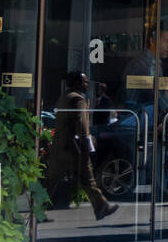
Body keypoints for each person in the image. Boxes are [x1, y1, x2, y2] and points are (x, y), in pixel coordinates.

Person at [123, 26, 168, 221]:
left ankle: (159, 214)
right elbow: (161, 98)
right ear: (153, 40)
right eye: (167, 41)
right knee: (153, 177)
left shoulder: (154, 63)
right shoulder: (147, 64)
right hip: (144, 128)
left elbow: (163, 96)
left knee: (159, 179)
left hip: (149, 129)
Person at [43, 71, 119, 221]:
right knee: (87, 179)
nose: (87, 85)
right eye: (84, 82)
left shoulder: (65, 96)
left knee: (50, 181)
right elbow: (82, 125)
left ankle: (36, 211)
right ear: (77, 83)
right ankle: (101, 207)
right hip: (74, 147)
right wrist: (87, 145)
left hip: (59, 145)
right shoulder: (78, 100)